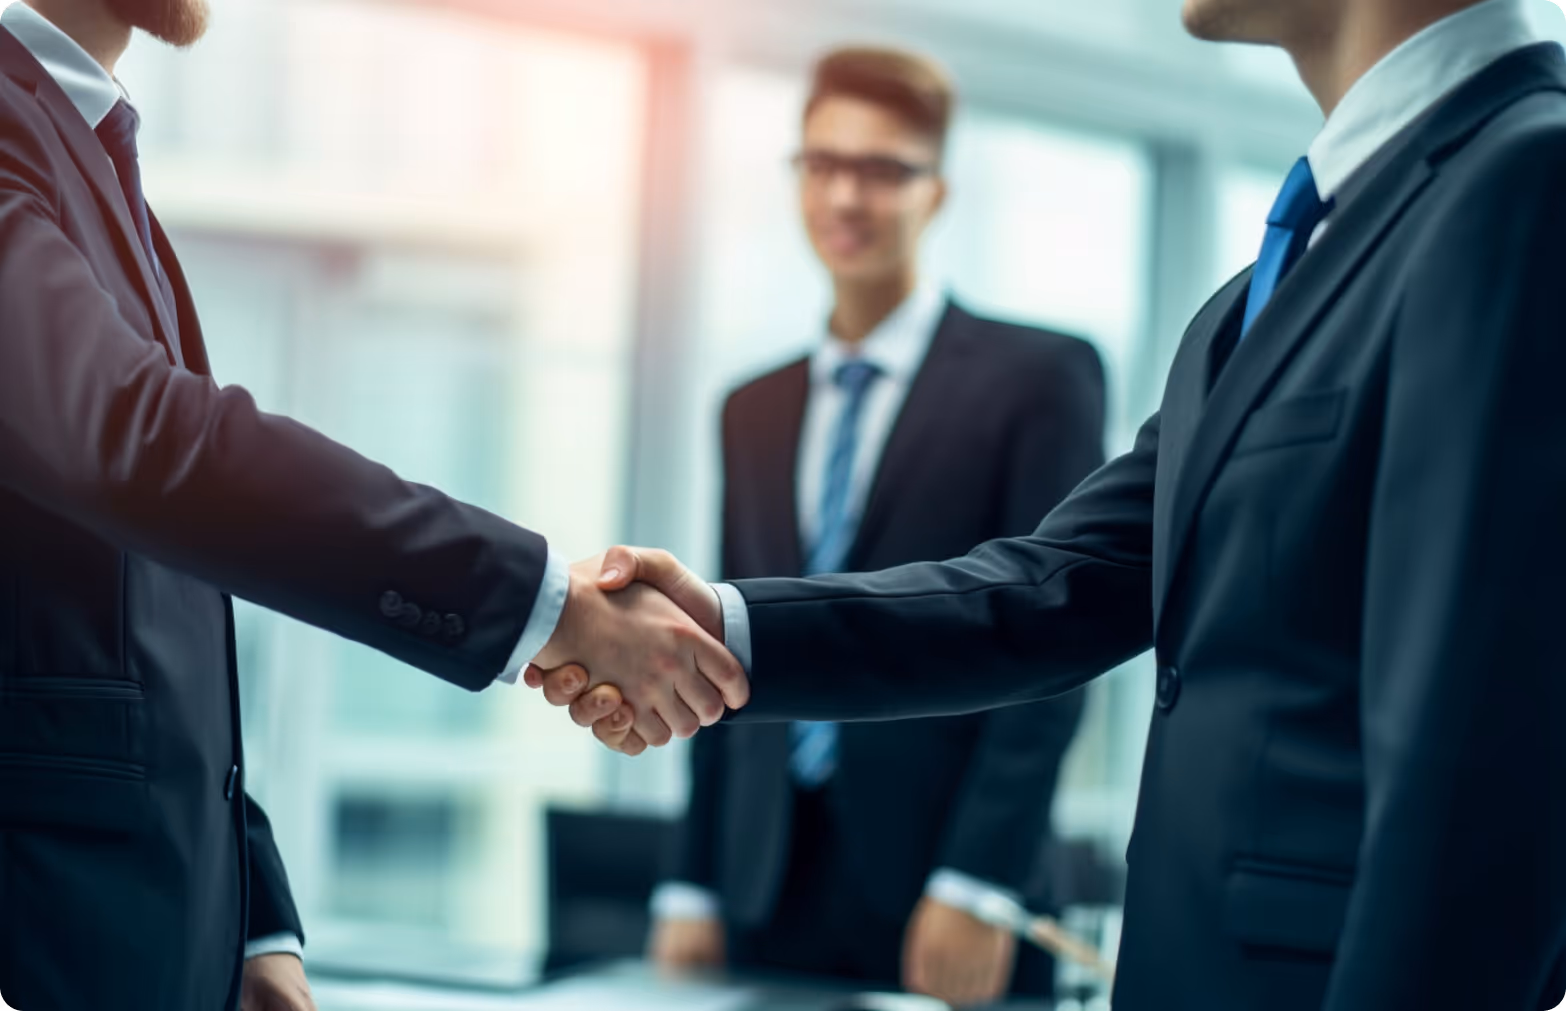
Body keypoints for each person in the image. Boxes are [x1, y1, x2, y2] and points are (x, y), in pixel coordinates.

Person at [537, 0, 1566, 1007]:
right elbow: (1052, 587)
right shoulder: (1280, 274)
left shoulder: (1529, 182)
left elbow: (1488, 775)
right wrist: (720, 625)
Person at [0, 1, 742, 1009]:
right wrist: (547, 608)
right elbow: (140, 438)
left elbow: (143, 613)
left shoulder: (79, 143)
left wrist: (252, 911)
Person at [645, 47, 1101, 1008]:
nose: (846, 196)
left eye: (883, 169)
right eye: (822, 164)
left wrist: (978, 880)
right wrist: (692, 879)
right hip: (768, 876)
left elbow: (1058, 641)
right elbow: (712, 640)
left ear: (937, 191)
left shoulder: (1038, 379)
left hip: (945, 883)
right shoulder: (752, 408)